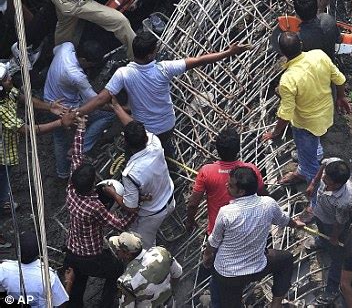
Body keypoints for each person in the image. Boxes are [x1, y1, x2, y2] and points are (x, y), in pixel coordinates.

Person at [75, 30, 250, 158]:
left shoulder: (123, 73)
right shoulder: (164, 68)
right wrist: (228, 52)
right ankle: (168, 160)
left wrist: (76, 113)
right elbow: (199, 60)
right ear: (151, 53)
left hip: (144, 131)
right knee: (165, 147)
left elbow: (100, 99)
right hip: (167, 125)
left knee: (135, 154)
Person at [203, 166, 305, 308]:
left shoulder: (226, 212)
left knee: (229, 301)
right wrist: (296, 224)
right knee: (286, 259)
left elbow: (214, 242)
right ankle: (276, 304)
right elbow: (284, 220)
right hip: (257, 267)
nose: (226, 185)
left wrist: (207, 257)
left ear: (242, 191)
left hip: (228, 274)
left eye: (231, 185)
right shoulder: (268, 204)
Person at [64, 116, 135, 307]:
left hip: (71, 250)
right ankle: (106, 304)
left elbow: (77, 155)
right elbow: (120, 224)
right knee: (117, 270)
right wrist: (133, 208)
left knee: (76, 287)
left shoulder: (71, 188)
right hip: (92, 257)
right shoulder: (94, 207)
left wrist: (80, 128)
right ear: (93, 186)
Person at [262, 32, 350, 185]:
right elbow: (339, 78)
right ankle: (315, 154)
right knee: (313, 143)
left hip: (306, 125)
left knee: (310, 165)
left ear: (283, 54)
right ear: (301, 44)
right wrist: (341, 97)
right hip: (326, 115)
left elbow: (286, 114)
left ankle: (309, 179)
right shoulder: (319, 55)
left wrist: (275, 133)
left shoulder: (288, 79)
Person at [0, 63, 75, 213]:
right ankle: (2, 204)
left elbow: (23, 98)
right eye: (5, 78)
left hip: (8, 146)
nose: (10, 79)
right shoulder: (1, 109)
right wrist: (60, 122)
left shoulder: (7, 92)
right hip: (2, 153)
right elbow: (27, 130)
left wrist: (49, 107)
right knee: (3, 176)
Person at [43, 40, 113, 179]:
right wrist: (120, 108)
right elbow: (96, 101)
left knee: (59, 137)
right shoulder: (76, 75)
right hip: (65, 107)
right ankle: (80, 149)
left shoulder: (67, 47)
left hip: (49, 98)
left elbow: (54, 50)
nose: (91, 67)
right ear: (82, 59)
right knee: (107, 115)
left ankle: (62, 172)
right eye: (90, 64)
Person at [109, 107, 175, 249]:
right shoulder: (155, 142)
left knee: (143, 248)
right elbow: (137, 128)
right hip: (169, 198)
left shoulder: (131, 174)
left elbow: (131, 207)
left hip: (153, 214)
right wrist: (116, 107)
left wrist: (113, 193)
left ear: (127, 144)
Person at [186, 126, 265, 233]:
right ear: (238, 149)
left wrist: (190, 220)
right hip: (246, 228)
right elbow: (262, 195)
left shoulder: (206, 171)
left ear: (217, 149)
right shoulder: (250, 170)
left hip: (219, 231)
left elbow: (193, 204)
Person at [303, 158, 352, 305]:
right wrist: (314, 182)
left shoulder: (345, 201)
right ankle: (322, 242)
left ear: (338, 184)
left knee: (337, 256)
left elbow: (339, 222)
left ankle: (332, 290)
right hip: (321, 214)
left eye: (328, 182)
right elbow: (324, 164)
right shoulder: (334, 163)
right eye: (324, 178)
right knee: (321, 231)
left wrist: (334, 237)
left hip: (333, 225)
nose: (324, 182)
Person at [109, 232, 183, 306]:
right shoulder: (161, 253)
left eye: (118, 250)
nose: (115, 251)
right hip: (169, 303)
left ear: (128, 254)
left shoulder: (126, 282)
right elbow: (178, 273)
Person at [0, 232, 69, 307]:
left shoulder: (4, 268)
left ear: (16, 251)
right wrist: (69, 282)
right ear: (39, 251)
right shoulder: (48, 276)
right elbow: (61, 303)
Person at [271, 0, 340, 59]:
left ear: (297, 14)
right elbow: (338, 39)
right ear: (316, 7)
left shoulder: (300, 38)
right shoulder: (328, 19)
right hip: (331, 57)